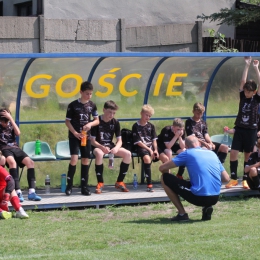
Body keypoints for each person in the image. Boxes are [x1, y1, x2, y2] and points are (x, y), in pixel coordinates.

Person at [159, 135, 230, 222]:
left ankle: (182, 214)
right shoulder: (212, 154)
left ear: (186, 147)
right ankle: (206, 207)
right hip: (215, 197)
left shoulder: (188, 153)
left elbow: (162, 168)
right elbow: (226, 178)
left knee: (165, 178)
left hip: (199, 197)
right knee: (198, 182)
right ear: (199, 143)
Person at [225, 57, 260, 189]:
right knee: (233, 152)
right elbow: (242, 81)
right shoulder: (242, 97)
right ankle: (233, 178)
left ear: (254, 92)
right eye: (245, 91)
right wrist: (247, 65)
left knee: (248, 154)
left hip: (251, 130)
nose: (246, 93)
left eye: (249, 91)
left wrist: (256, 68)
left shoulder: (257, 99)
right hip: (239, 128)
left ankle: (245, 179)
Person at [65, 81, 99, 196]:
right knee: (74, 159)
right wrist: (74, 132)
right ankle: (69, 186)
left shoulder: (92, 105)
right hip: (75, 136)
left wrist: (90, 124)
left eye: (90, 94)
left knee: (85, 160)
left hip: (86, 136)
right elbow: (67, 121)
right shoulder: (73, 105)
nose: (89, 96)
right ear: (81, 92)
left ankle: (84, 187)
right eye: (86, 93)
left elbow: (97, 120)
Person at [0, 108, 41, 202]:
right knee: (12, 162)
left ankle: (32, 192)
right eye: (2, 120)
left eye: (5, 120)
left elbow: (18, 133)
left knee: (30, 162)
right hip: (4, 148)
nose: (4, 123)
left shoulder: (11, 124)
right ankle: (17, 192)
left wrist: (10, 118)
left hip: (15, 148)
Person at [91, 100, 131, 194]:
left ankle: (119, 181)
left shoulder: (115, 122)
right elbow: (92, 141)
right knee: (100, 154)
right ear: (104, 110)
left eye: (114, 113)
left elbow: (120, 140)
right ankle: (100, 183)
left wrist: (116, 148)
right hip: (97, 146)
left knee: (128, 154)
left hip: (110, 146)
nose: (111, 115)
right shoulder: (96, 121)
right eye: (109, 112)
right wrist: (101, 147)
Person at [132, 104, 159, 192]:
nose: (148, 117)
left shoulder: (151, 126)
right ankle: (149, 184)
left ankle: (168, 182)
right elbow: (138, 142)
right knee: (147, 159)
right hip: (141, 147)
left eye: (149, 116)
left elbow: (154, 140)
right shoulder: (135, 126)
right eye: (146, 115)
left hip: (151, 147)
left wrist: (155, 150)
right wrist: (149, 150)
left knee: (165, 156)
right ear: (141, 113)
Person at [0, 152, 29, 219]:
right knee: (11, 189)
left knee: (11, 188)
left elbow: (11, 180)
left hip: (2, 195)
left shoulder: (1, 169)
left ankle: (19, 210)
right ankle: (3, 211)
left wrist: (6, 196)